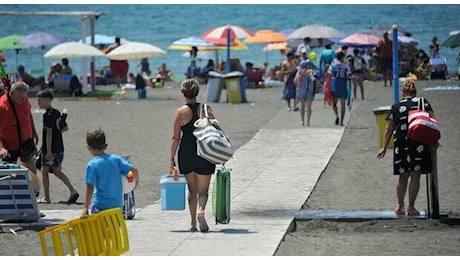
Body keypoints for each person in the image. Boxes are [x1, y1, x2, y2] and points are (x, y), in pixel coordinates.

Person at [376, 80, 436, 216]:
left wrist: (384, 147)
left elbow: (388, 129)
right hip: (418, 141)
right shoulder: (423, 103)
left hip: (401, 142)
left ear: (403, 93)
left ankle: (399, 206)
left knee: (402, 176)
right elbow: (432, 121)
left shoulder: (395, 106)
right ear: (415, 93)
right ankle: (411, 208)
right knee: (415, 176)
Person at [169, 79, 216, 233]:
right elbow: (214, 130)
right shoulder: (206, 109)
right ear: (197, 92)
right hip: (205, 151)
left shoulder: (180, 112)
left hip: (187, 152)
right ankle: (201, 212)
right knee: (203, 190)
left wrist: (171, 158)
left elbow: (175, 138)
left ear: (183, 93)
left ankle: (192, 223)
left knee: (192, 189)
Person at [80, 128, 140, 218]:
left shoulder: (91, 165)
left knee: (100, 231)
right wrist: (135, 183)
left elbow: (90, 188)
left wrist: (85, 208)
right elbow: (134, 170)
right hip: (116, 207)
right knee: (113, 230)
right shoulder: (116, 159)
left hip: (100, 206)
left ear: (88, 147)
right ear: (106, 145)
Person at [35, 89, 79, 204]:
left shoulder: (47, 115)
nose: (38, 103)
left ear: (47, 101)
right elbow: (64, 128)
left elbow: (49, 133)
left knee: (44, 171)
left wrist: (48, 151)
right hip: (59, 147)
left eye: (40, 101)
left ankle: (47, 197)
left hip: (50, 148)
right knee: (57, 171)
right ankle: (72, 190)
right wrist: (57, 130)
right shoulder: (57, 113)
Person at [0, 81, 40, 189]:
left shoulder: (24, 100)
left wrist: (34, 131)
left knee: (30, 164)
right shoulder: (3, 108)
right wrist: (2, 148)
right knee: (9, 172)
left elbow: (28, 113)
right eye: (21, 98)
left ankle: (33, 189)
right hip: (9, 145)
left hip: (26, 142)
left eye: (25, 97)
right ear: (12, 94)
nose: (24, 100)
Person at [328, 51, 351, 126]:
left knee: (334, 103)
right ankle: (341, 121)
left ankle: (337, 116)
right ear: (342, 57)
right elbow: (347, 77)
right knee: (343, 105)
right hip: (343, 86)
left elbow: (329, 74)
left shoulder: (333, 65)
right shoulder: (346, 66)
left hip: (335, 86)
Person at [294, 59, 316, 126]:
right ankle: (308, 122)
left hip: (301, 89)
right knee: (309, 107)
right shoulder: (310, 72)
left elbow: (294, 81)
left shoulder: (299, 72)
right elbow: (314, 79)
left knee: (302, 106)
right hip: (309, 90)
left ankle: (302, 121)